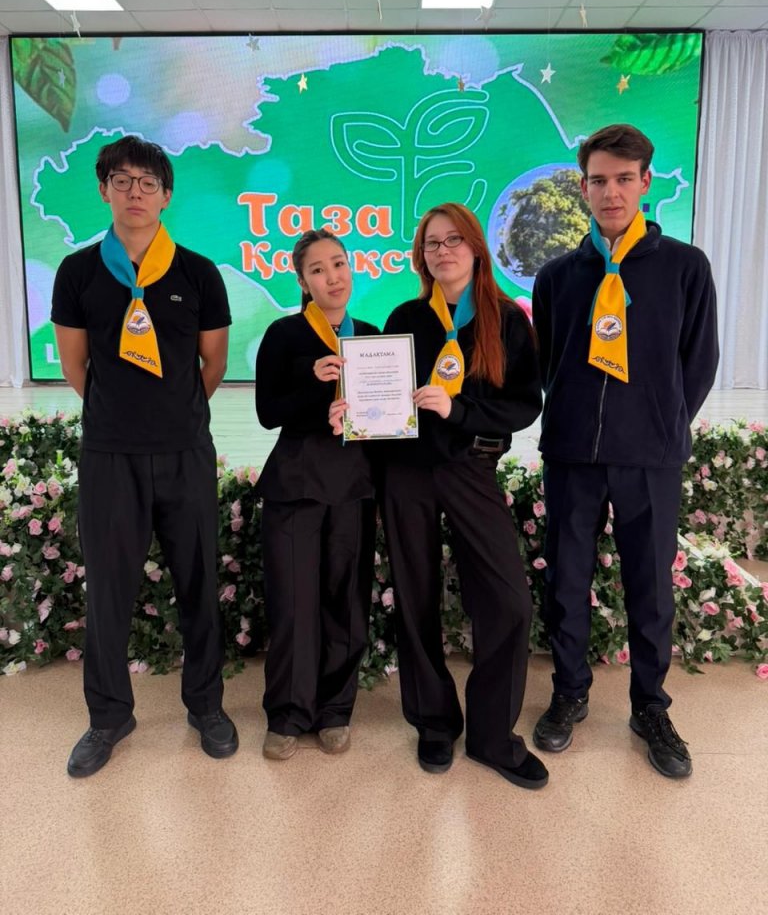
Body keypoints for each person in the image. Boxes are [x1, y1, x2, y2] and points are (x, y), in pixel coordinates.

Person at [334, 202, 547, 789]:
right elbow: (382, 397)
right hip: (407, 471)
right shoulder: (407, 318)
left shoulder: (507, 319)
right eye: (432, 243)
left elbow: (523, 405)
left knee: (508, 601)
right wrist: (356, 410)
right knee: (415, 597)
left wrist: (459, 410)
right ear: (420, 256)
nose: (443, 251)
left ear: (476, 248)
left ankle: (491, 735)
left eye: (453, 240)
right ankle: (433, 721)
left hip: (470, 468)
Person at [531, 123, 719, 779]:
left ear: (644, 182)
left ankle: (650, 706)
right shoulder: (557, 276)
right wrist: (573, 419)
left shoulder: (685, 268)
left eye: (623, 179)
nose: (610, 192)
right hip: (572, 456)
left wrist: (662, 425)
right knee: (566, 580)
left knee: (650, 586)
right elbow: (549, 361)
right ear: (583, 188)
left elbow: (698, 362)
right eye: (598, 181)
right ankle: (570, 692)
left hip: (650, 457)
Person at [51, 135, 238, 777]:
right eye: (123, 181)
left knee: (198, 584)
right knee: (108, 591)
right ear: (104, 189)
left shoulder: (198, 273)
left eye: (148, 182)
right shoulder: (77, 272)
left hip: (185, 453)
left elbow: (213, 364)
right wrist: (123, 416)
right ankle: (108, 716)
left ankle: (206, 706)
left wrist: (171, 415)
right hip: (110, 456)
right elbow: (75, 367)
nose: (136, 192)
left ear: (166, 196)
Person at [255, 229, 379, 760]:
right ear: (303, 281)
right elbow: (268, 413)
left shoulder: (370, 336)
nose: (333, 277)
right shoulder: (284, 334)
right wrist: (314, 386)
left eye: (339, 264)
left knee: (346, 601)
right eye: (318, 269)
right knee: (292, 602)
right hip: (297, 484)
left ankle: (334, 710)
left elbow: (384, 417)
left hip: (353, 485)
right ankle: (287, 714)